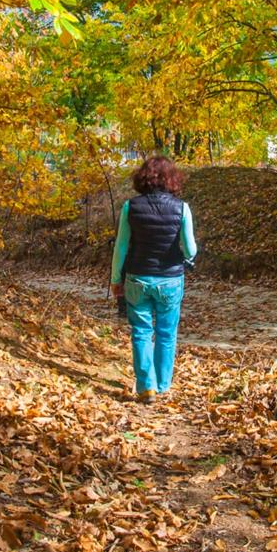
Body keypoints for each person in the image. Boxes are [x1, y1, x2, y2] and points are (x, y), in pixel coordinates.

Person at [111, 156, 197, 403]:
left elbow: (121, 247)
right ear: (172, 179)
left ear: (143, 178)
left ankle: (146, 386)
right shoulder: (182, 208)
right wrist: (185, 256)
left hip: (137, 278)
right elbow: (190, 250)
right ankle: (163, 384)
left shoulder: (130, 207)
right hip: (170, 280)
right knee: (166, 333)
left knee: (141, 331)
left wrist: (116, 278)